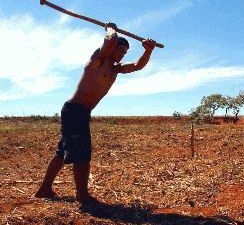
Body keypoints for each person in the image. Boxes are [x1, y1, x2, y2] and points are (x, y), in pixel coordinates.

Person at [34, 23, 156, 204]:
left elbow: (138, 65)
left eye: (124, 53)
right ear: (112, 47)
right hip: (75, 110)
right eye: (119, 50)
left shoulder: (115, 69)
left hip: (81, 112)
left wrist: (148, 50)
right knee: (82, 154)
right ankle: (82, 196)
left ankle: (44, 189)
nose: (121, 55)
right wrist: (110, 28)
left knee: (62, 152)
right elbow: (110, 41)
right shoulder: (98, 60)